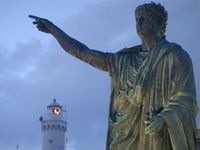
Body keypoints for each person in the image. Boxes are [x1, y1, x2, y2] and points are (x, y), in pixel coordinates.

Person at [29, 2, 199, 150]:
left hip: (155, 136)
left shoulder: (175, 56)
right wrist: (54, 31)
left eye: (144, 19)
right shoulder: (122, 60)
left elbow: (185, 97)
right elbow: (83, 52)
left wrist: (163, 118)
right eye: (136, 19)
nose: (138, 24)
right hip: (123, 137)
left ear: (159, 23)